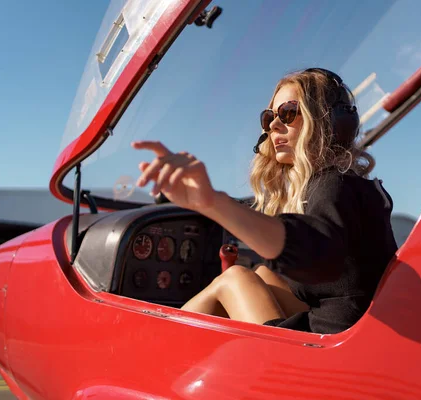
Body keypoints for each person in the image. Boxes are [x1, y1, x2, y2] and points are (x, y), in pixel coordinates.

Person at [132, 68, 398, 334]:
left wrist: (212, 202)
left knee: (234, 279)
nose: (272, 125)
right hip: (358, 333)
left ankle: (149, 344)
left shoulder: (333, 186)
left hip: (333, 355)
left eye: (288, 113)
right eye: (270, 117)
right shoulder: (347, 184)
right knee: (264, 275)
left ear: (327, 121)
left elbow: (319, 253)